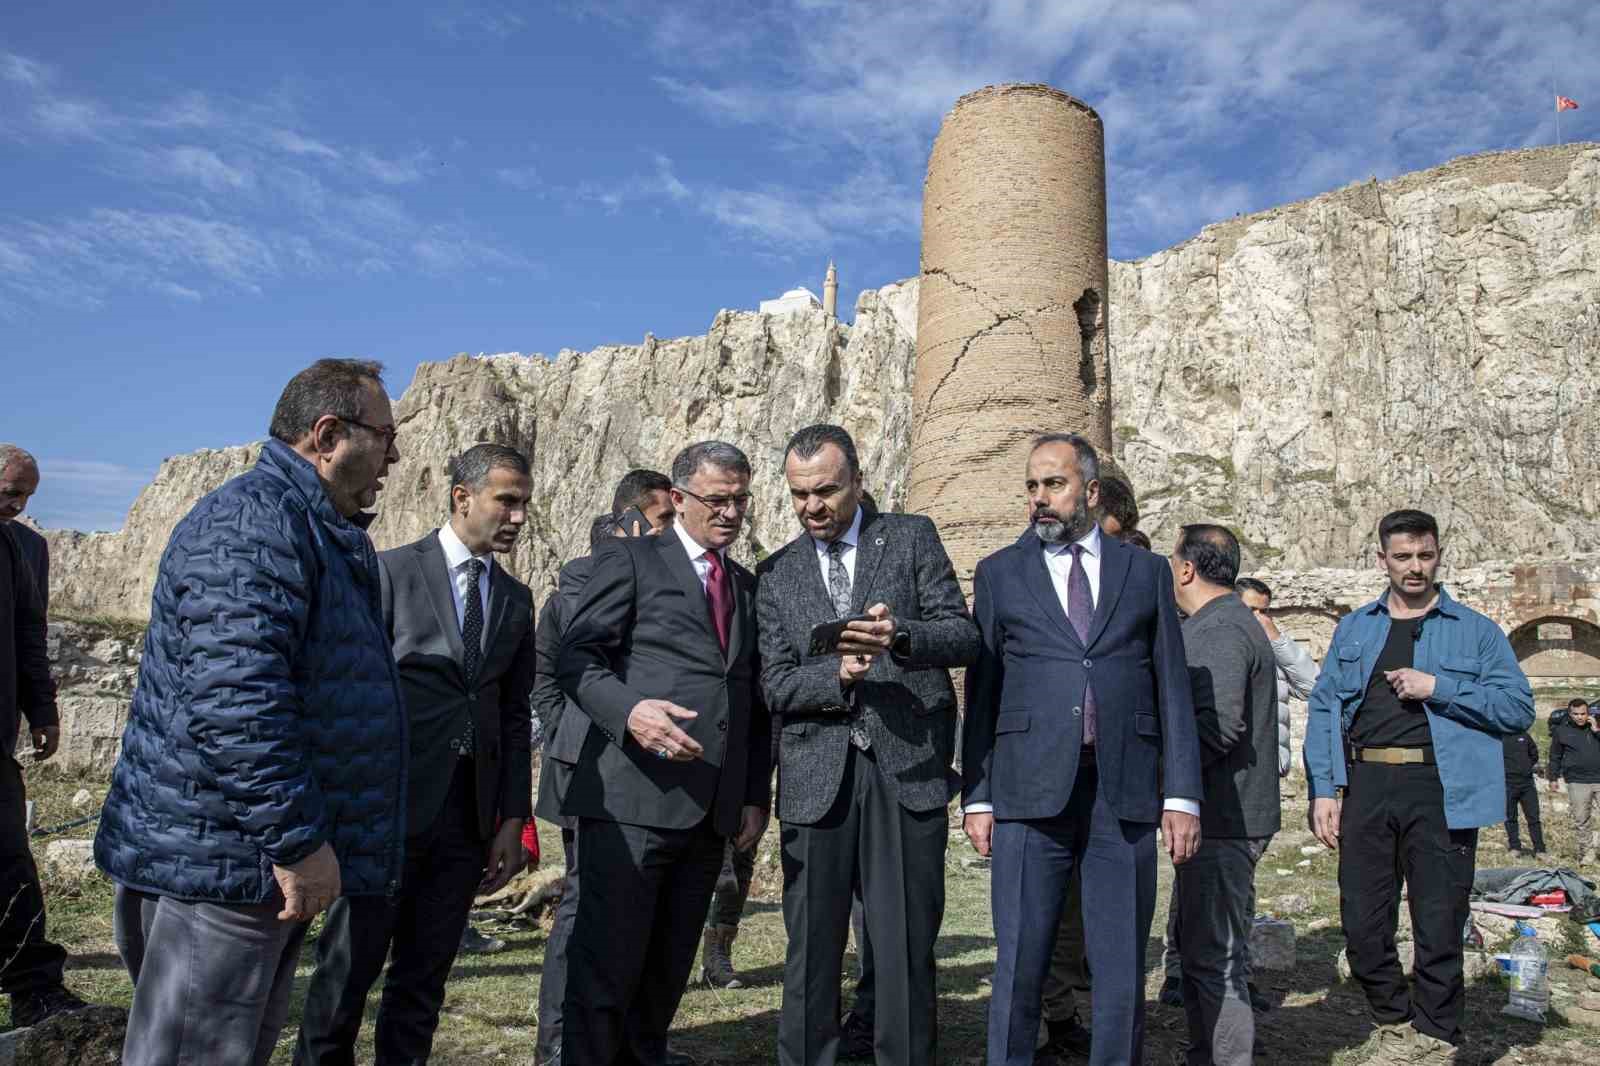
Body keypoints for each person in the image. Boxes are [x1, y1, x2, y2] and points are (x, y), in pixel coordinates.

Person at [94, 359, 408, 1066]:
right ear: (328, 434)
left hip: (247, 864)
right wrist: (297, 842)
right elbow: (240, 705)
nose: (396, 455)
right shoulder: (252, 524)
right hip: (223, 868)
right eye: (386, 435)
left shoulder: (308, 525)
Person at [962, 432, 1202, 1066]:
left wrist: (1180, 794)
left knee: (1121, 964)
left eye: (1055, 485)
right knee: (1019, 957)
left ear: (1090, 492)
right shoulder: (999, 573)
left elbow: (1171, 686)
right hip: (1025, 791)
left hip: (1121, 793)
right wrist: (978, 795)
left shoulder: (1145, 573)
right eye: (1032, 487)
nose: (1040, 498)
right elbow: (982, 692)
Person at [296, 443, 538, 1064]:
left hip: (465, 823)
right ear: (462, 497)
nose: (516, 518)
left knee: (423, 980)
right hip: (385, 814)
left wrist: (512, 819)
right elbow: (346, 694)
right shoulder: (388, 571)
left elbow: (512, 718)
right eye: (505, 501)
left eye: (524, 505)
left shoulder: (515, 599)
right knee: (346, 973)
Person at [756, 424, 978, 1066]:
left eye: (825, 491)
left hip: (905, 768)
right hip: (815, 780)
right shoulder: (776, 572)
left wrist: (900, 637)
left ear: (857, 479)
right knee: (811, 951)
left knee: (905, 946)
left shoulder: (911, 538)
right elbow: (774, 682)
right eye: (799, 495)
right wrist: (839, 675)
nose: (812, 507)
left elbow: (962, 637)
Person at [556, 441, 771, 1065]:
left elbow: (751, 700)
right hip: (629, 805)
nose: (730, 513)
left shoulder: (745, 586)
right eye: (716, 500)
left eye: (740, 501)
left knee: (665, 976)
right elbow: (577, 659)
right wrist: (630, 712)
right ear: (678, 500)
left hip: (710, 814)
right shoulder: (630, 562)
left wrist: (754, 793)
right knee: (605, 974)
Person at [1305, 509, 1533, 1064]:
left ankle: (1437, 1035)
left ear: (1438, 556)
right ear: (1381, 558)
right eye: (1402, 556)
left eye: (1424, 555)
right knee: (1361, 922)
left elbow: (1518, 707)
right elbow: (1324, 704)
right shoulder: (1357, 626)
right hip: (1367, 784)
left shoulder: (1476, 631)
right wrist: (1324, 788)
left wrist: (1440, 687)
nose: (1414, 567)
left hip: (1441, 786)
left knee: (1439, 919)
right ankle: (1393, 1018)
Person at [534, 471, 678, 1066]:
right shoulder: (578, 588)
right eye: (665, 520)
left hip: (635, 773)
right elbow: (547, 679)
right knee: (578, 907)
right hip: (585, 772)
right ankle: (559, 1045)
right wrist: (571, 739)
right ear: (631, 522)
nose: (673, 533)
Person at [1165, 525, 1279, 1066]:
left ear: (1187, 569)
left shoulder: (1220, 629)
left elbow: (1220, 726)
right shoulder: (1225, 621)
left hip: (1225, 817)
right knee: (1200, 952)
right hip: (1222, 816)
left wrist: (1168, 777)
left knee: (1216, 959)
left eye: (1171, 560)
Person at [0, 445, 90, 1028]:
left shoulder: (27, 547)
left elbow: (31, 635)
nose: (17, 503)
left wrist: (44, 712)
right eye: (10, 490)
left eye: (26, 495)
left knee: (9, 861)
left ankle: (35, 987)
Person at [1549, 698, 1600, 866]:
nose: (1580, 717)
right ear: (1570, 714)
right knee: (1581, 819)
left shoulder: (1597, 728)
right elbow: (1555, 756)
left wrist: (1596, 730)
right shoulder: (1561, 731)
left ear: (1589, 713)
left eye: (1583, 714)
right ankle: (1587, 853)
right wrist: (1553, 778)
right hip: (1577, 781)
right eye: (1576, 714)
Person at [1501, 727, 1545, 858]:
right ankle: (1515, 847)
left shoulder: (1524, 736)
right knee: (1510, 817)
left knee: (1533, 817)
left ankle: (1540, 850)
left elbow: (1534, 754)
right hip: (1507, 783)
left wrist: (1525, 768)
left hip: (1527, 784)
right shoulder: (1497, 738)